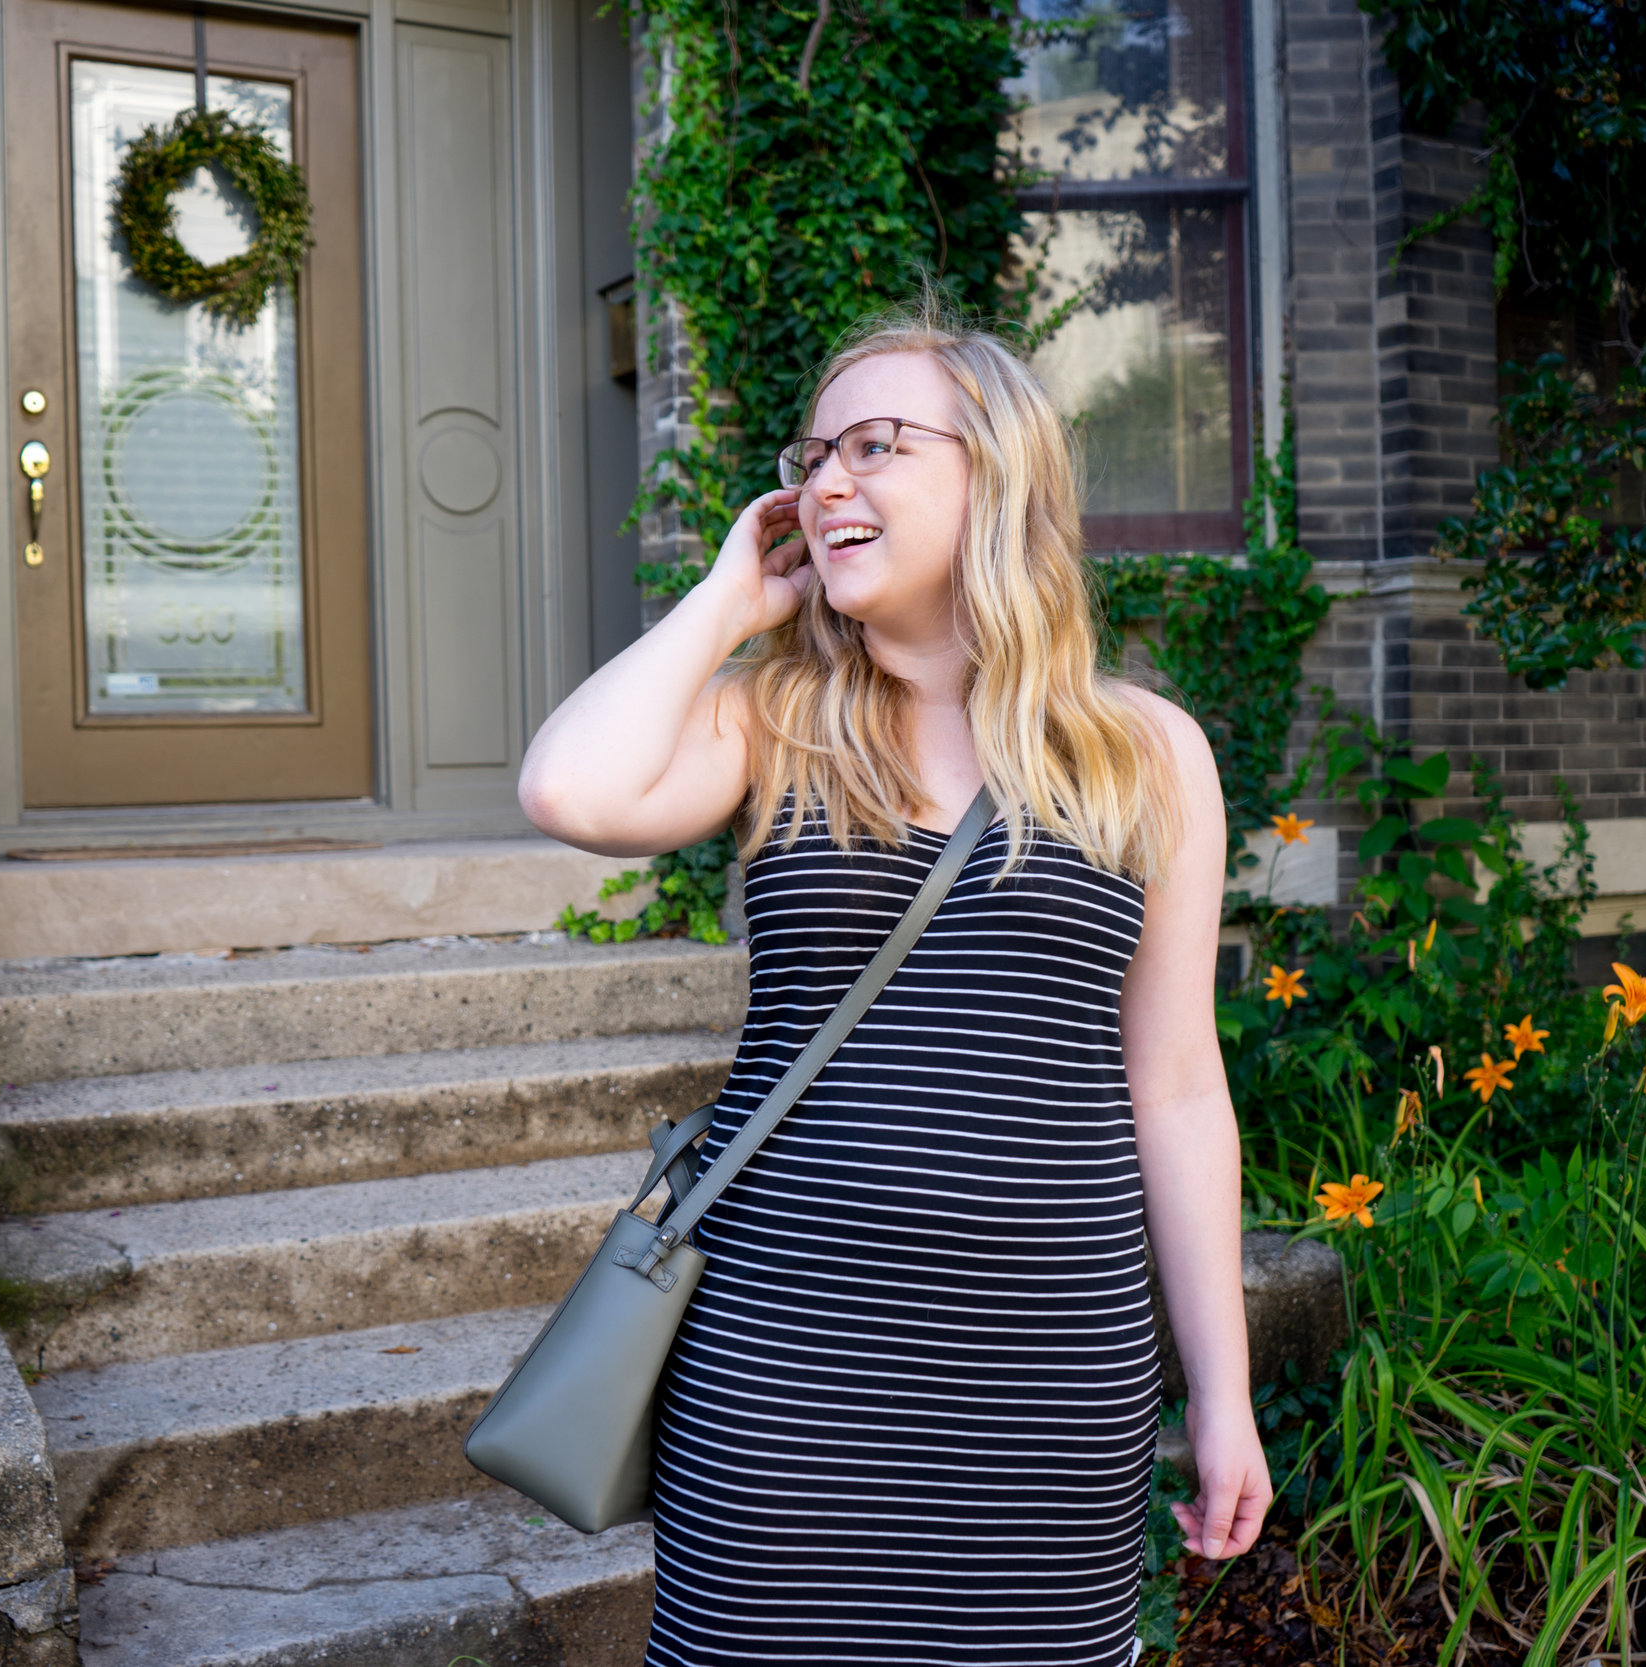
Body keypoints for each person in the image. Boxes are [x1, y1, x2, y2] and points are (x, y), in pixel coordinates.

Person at [518, 296, 1270, 1665]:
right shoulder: (774, 721)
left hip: (1047, 1378)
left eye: (876, 446)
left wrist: (1221, 1393)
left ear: (999, 471)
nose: (827, 483)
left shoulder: (1146, 756)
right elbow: (568, 788)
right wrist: (730, 599)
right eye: (814, 457)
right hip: (787, 1360)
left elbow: (1174, 1088)